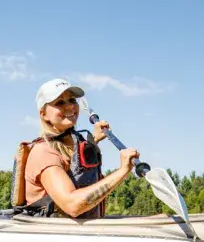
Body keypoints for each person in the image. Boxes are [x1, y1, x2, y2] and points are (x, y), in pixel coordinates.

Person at [20, 78, 139, 219]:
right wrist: (123, 171)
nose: (70, 106)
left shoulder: (75, 143)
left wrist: (93, 141)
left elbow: (77, 168)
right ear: (43, 114)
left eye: (72, 100)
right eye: (59, 102)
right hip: (56, 237)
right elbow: (72, 205)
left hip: (83, 235)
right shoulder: (44, 152)